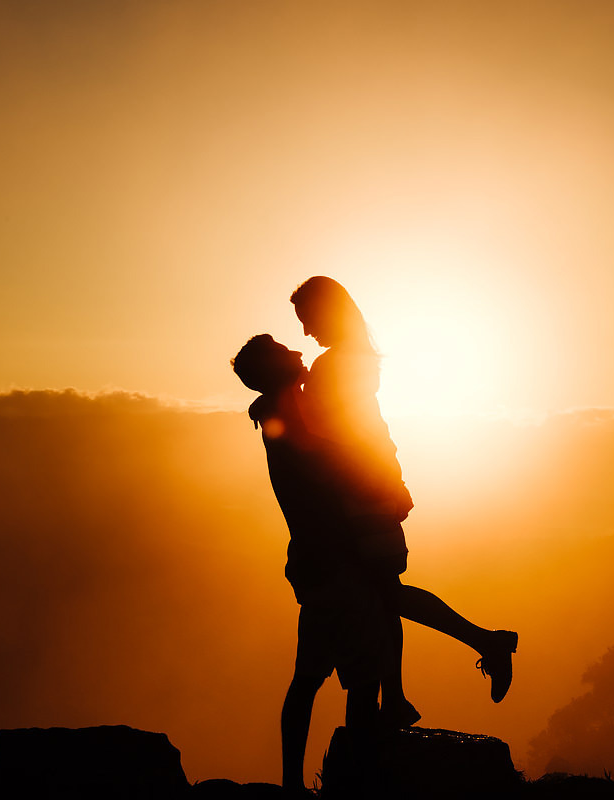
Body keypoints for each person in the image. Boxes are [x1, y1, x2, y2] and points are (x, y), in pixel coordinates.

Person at [290, 276, 518, 718]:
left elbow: (338, 433)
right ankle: (396, 696)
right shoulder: (351, 360)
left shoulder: (337, 365)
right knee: (382, 597)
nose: (305, 332)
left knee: (383, 596)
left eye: (307, 319)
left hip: (358, 491)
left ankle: (485, 642)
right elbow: (368, 429)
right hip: (368, 486)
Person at [231, 335, 382, 795]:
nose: (298, 352)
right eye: (284, 351)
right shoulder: (288, 411)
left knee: (312, 678)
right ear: (276, 370)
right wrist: (375, 474)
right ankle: (347, 782)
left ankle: (298, 782)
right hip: (331, 559)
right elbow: (320, 462)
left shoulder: (287, 404)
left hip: (318, 559)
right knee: (355, 678)